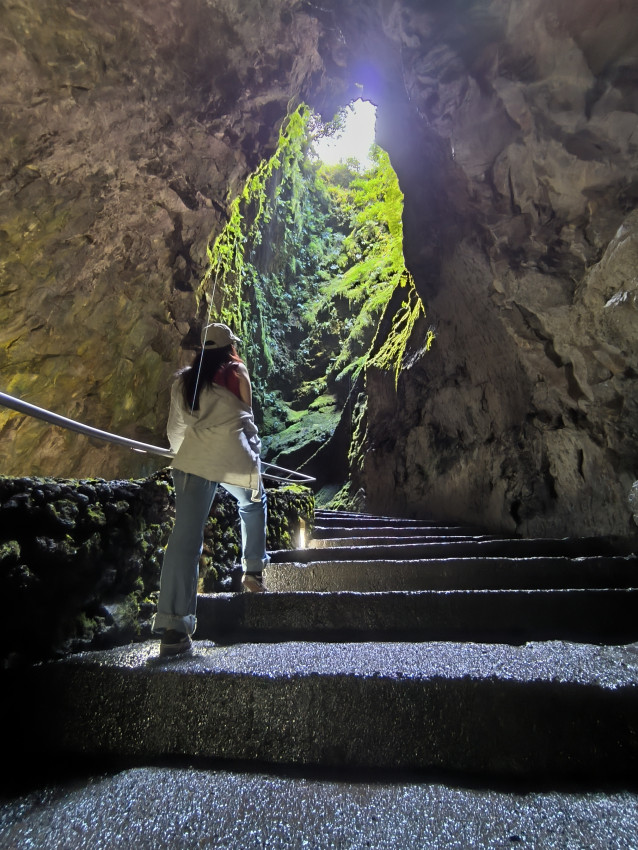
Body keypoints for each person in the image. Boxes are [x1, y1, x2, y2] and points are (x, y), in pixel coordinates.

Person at [152, 322, 269, 657]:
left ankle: (173, 629)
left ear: (202, 349)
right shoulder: (237, 372)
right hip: (232, 455)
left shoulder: (184, 380)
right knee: (254, 502)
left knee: (185, 537)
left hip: (194, 459)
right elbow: (246, 420)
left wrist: (186, 457)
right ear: (230, 346)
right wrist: (254, 459)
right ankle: (253, 570)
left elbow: (175, 430)